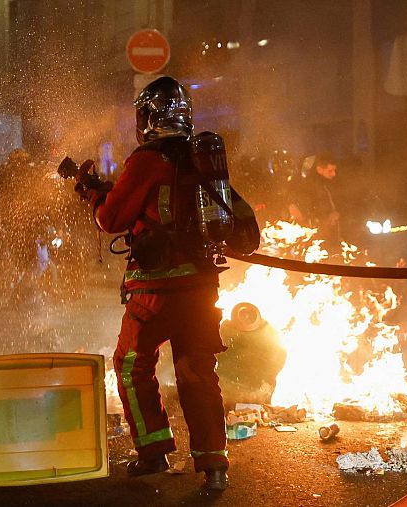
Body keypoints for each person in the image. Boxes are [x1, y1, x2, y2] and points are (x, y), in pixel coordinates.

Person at [67, 76, 259, 491]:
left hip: (156, 288)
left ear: (148, 118)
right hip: (202, 287)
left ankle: (153, 451)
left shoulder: (147, 159)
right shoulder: (202, 157)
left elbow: (112, 219)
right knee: (197, 371)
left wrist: (93, 195)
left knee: (132, 365)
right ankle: (214, 466)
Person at [287, 153, 340, 243]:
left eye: (335, 170)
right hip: (314, 234)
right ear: (319, 169)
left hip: (327, 232)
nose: (334, 174)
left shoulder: (328, 184)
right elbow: (305, 209)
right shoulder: (307, 185)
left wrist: (335, 212)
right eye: (330, 171)